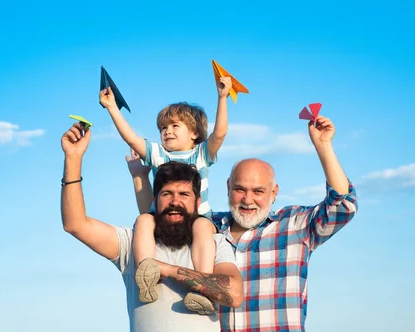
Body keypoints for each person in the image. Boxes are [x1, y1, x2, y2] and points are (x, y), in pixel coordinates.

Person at [128, 115, 358, 331]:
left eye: (258, 191)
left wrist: (323, 146)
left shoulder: (294, 226)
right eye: (240, 190)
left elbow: (342, 206)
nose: (248, 200)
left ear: (274, 192)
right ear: (228, 187)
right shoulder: (208, 228)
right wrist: (139, 175)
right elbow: (160, 213)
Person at [60, 122, 243, 332]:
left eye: (184, 195)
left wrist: (168, 270)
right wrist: (73, 158)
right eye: (167, 194)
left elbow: (235, 294)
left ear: (197, 202)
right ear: (155, 200)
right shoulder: (132, 243)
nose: (175, 202)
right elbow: (75, 224)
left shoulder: (214, 243)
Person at [99, 75, 233, 313]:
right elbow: (130, 137)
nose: (167, 132)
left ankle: (202, 290)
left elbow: (220, 134)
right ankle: (147, 275)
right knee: (143, 220)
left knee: (202, 227)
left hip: (197, 219)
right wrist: (112, 108)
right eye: (163, 128)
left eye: (174, 126)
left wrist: (222, 98)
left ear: (194, 133)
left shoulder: (201, 154)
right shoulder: (157, 154)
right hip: (165, 219)